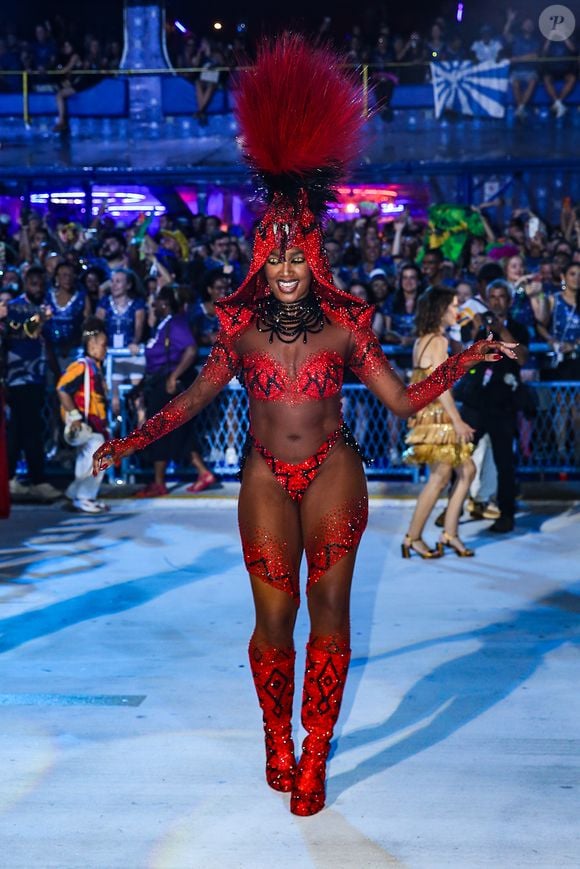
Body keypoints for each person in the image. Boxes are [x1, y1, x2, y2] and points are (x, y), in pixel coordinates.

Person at [93, 36, 515, 816]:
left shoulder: (345, 329)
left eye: (298, 252)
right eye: (275, 253)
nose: (286, 265)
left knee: (328, 611)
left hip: (332, 470)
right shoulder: (241, 331)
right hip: (261, 471)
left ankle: (315, 751)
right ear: (263, 253)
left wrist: (469, 356)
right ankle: (274, 736)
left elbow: (398, 399)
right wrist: (127, 440)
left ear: (313, 253)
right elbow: (193, 403)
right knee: (274, 618)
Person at [402, 287, 476, 557]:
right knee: (440, 477)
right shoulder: (437, 341)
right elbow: (440, 386)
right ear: (441, 310)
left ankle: (450, 533)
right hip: (438, 418)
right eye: (454, 306)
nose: (458, 311)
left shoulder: (425, 339)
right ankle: (413, 537)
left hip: (431, 416)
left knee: (466, 471)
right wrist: (456, 421)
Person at [459, 281, 529, 532]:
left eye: (502, 297)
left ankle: (506, 513)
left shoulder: (518, 328)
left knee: (504, 463)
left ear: (509, 301)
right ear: (488, 300)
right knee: (460, 456)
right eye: (493, 297)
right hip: (477, 404)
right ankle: (452, 508)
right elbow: (467, 360)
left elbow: (521, 358)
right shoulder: (481, 330)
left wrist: (503, 332)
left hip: (503, 406)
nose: (497, 301)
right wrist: (481, 331)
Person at [135, 285, 215, 497]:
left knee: (160, 430)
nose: (154, 304)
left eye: (158, 301)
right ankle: (202, 473)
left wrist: (173, 376)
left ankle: (159, 482)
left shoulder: (176, 324)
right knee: (178, 431)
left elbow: (190, 349)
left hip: (167, 384)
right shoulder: (164, 324)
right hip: (158, 382)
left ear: (166, 303)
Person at [57, 318, 109, 513]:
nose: (106, 349)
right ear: (92, 345)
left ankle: (78, 496)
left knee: (87, 459)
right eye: (103, 345)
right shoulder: (81, 366)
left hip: (93, 422)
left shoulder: (95, 366)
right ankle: (84, 497)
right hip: (85, 421)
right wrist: (74, 416)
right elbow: (62, 389)